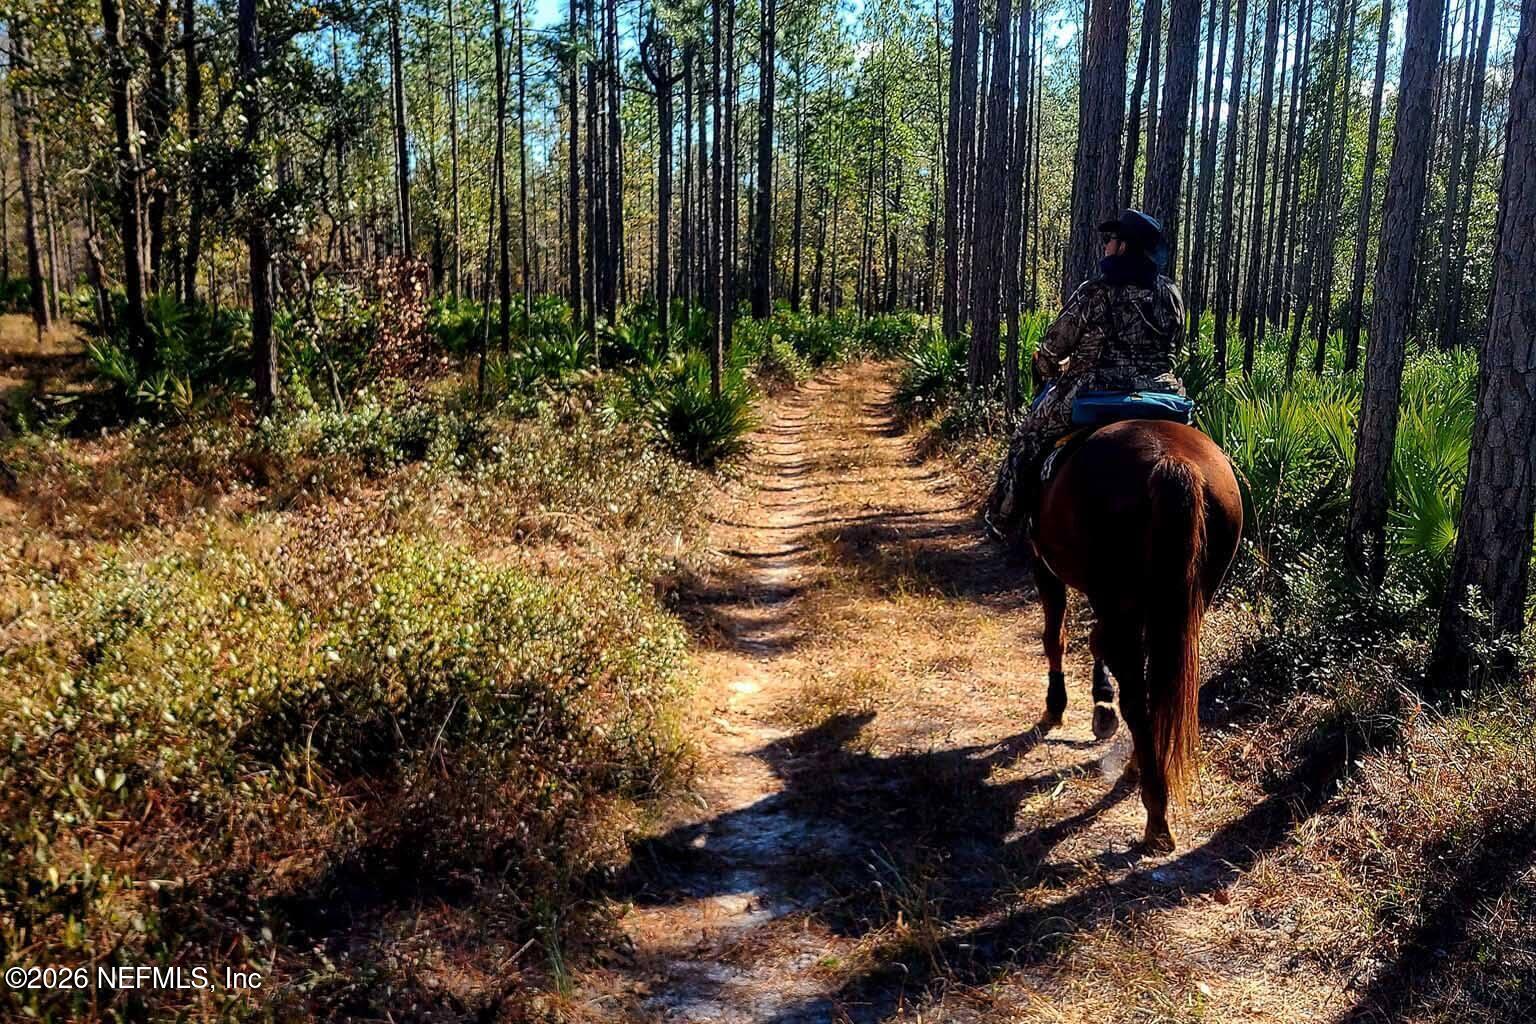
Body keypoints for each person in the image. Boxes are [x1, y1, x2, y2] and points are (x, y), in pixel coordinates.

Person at [988, 209, 1186, 540]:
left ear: (1124, 247)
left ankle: (1004, 515)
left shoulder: (1095, 292)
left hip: (1096, 388)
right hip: (1162, 390)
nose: (1106, 245)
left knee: (1028, 435)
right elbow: (1175, 345)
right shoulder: (1171, 294)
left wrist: (1047, 368)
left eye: (1111, 239)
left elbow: (1054, 346)